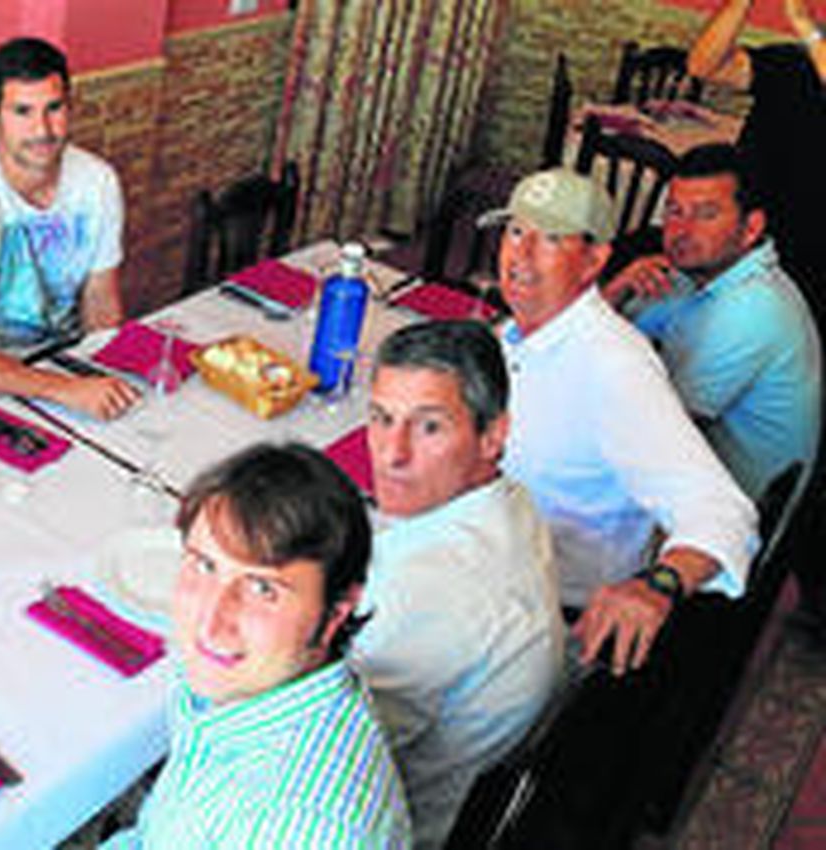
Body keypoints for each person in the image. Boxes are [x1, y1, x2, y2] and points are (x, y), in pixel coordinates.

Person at [487, 167, 757, 676]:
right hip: (492, 564)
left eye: (550, 239)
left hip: (539, 620)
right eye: (516, 230)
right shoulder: (522, 332)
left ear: (595, 259)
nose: (519, 255)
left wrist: (657, 586)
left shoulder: (616, 369)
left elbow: (724, 511)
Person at [105, 443, 411, 848]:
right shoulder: (244, 688)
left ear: (337, 611)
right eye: (205, 565)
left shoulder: (294, 827)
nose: (211, 622)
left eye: (263, 589)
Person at [351, 320, 563, 849]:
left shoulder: (423, 591)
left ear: (493, 434)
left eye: (429, 427)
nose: (391, 453)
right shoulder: (512, 502)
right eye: (381, 418)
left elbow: (322, 757)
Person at [0, 37, 141, 421]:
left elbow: (101, 302)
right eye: (22, 111)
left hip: (69, 370)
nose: (42, 129)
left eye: (53, 108)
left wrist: (97, 376)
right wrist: (64, 389)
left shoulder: (98, 181)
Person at [601, 144, 821, 502]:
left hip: (731, 508)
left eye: (705, 214)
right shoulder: (698, 271)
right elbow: (607, 336)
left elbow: (657, 432)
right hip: (688, 459)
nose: (681, 231)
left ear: (750, 228)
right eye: (674, 211)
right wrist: (617, 288)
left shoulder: (754, 308)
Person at [688, 0, 826, 306]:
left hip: (806, 262)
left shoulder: (810, 44)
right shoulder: (792, 61)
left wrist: (805, 25)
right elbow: (704, 65)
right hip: (744, 240)